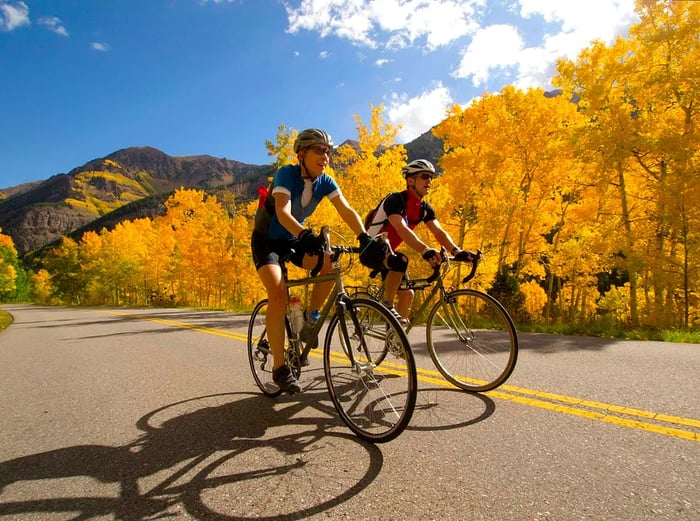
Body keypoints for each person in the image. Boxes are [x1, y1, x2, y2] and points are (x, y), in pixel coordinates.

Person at [251, 128, 381, 394]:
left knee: (329, 263)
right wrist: (304, 233)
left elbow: (346, 209)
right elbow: (282, 211)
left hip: (293, 238)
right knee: (278, 293)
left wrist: (364, 238)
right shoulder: (287, 173)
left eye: (328, 151)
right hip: (267, 240)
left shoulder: (326, 181)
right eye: (319, 150)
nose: (326, 156)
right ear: (302, 154)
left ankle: (310, 319)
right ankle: (279, 368)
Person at [364, 159, 474, 322]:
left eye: (431, 177)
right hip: (371, 249)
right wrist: (425, 250)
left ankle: (394, 339)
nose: (429, 181)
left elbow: (438, 232)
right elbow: (401, 228)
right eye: (424, 176)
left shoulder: (424, 208)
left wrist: (457, 251)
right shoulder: (395, 200)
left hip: (390, 255)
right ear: (410, 180)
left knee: (408, 294)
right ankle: (386, 305)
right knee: (401, 260)